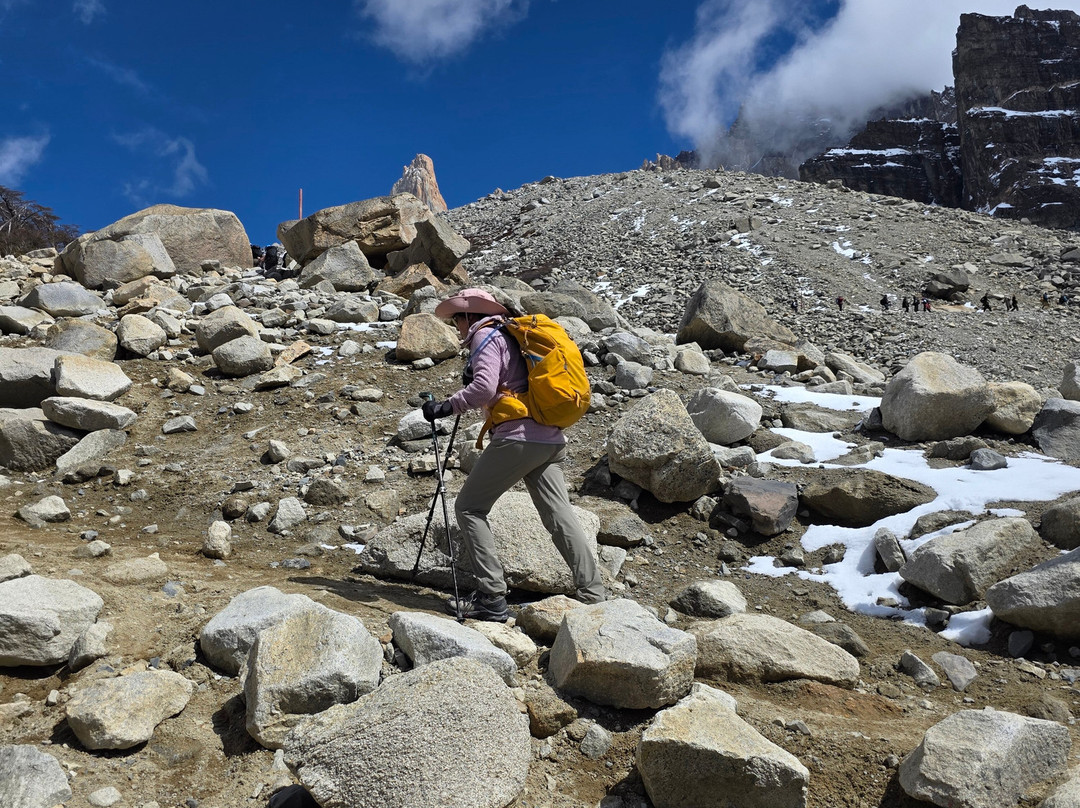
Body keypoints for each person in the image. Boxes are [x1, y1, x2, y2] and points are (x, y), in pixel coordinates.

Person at [420, 288, 606, 621]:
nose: (456, 327)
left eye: (457, 320)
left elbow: (485, 389)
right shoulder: (513, 334)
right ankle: (594, 596)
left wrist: (446, 406)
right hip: (548, 439)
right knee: (559, 516)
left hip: (517, 438)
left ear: (469, 316)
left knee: (469, 508)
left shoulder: (485, 336)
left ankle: (491, 598)